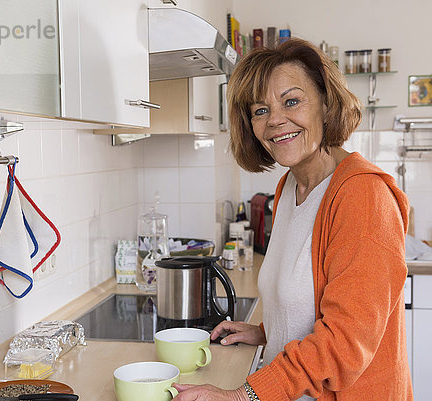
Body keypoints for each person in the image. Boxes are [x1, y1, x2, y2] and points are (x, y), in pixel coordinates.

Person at [172, 38, 413, 401]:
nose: (276, 121)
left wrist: (242, 396)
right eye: (260, 110)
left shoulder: (363, 196)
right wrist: (267, 333)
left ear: (326, 104)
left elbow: (345, 342)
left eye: (292, 101)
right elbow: (310, 299)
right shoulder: (289, 187)